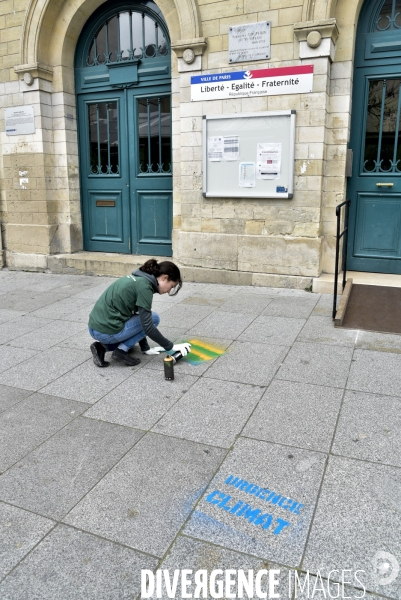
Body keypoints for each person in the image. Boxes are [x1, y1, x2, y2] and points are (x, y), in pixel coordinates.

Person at [88, 259, 191, 367]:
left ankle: (102, 347)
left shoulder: (139, 279)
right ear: (164, 277)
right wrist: (170, 347)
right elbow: (147, 326)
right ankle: (120, 351)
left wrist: (145, 348)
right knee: (154, 318)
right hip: (104, 331)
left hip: (95, 327)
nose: (169, 291)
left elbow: (140, 318)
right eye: (171, 286)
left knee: (135, 339)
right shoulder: (144, 288)